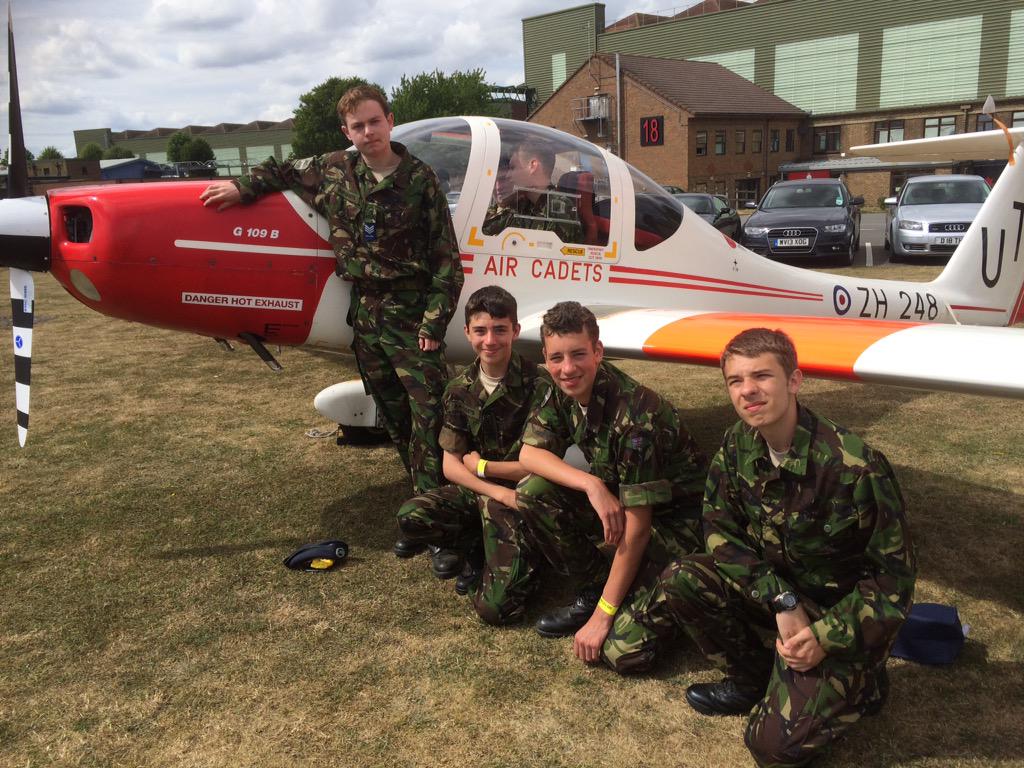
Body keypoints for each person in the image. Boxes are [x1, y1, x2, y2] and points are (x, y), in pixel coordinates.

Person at [642, 328, 916, 767]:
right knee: (684, 579)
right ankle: (750, 677)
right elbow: (717, 529)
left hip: (837, 617)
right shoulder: (738, 443)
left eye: (761, 376)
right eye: (735, 381)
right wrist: (780, 598)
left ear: (794, 381)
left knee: (771, 748)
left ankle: (865, 684)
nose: (748, 390)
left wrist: (825, 638)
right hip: (783, 598)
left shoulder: (855, 467)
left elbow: (892, 582)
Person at [199, 86, 464, 531]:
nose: (367, 132)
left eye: (374, 122)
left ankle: (448, 516)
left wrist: (434, 322)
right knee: (394, 414)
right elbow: (281, 170)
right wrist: (242, 188)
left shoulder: (421, 179)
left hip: (411, 311)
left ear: (390, 120)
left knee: (429, 415)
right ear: (347, 131)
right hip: (364, 314)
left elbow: (446, 259)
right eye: (357, 126)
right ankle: (425, 505)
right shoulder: (332, 168)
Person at [517, 301, 706, 674]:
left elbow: (636, 532)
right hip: (626, 501)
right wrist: (591, 485)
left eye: (578, 355)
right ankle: (595, 587)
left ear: (599, 352)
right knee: (532, 492)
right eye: (556, 358)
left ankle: (675, 593)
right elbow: (529, 454)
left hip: (681, 520)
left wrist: (605, 617)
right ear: (545, 357)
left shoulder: (637, 416)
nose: (567, 368)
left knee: (623, 652)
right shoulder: (562, 388)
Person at [396, 286, 548, 619]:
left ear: (516, 331)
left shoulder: (540, 384)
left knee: (496, 610)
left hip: (524, 497)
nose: (490, 340)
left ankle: (528, 558)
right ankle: (473, 546)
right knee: (411, 516)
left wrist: (481, 467)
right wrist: (493, 489)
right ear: (467, 333)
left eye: (500, 330)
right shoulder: (459, 388)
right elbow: (451, 466)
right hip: (487, 493)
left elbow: (538, 468)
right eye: (480, 331)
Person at [481, 141, 583, 244]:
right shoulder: (524, 205)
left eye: (513, 168)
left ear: (533, 166)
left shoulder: (558, 208)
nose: (508, 175)